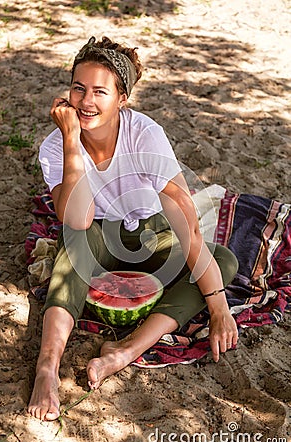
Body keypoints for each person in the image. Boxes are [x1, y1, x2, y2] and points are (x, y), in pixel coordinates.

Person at [28, 36, 239, 421]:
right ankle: (47, 366)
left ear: (122, 99)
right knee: (74, 244)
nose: (85, 101)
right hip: (92, 230)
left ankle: (125, 351)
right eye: (78, 88)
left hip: (150, 231)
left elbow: (187, 226)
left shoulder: (145, 135)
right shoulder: (55, 145)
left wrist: (220, 308)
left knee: (221, 260)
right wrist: (72, 141)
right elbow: (78, 217)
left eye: (99, 92)